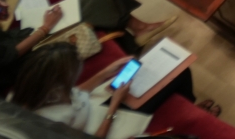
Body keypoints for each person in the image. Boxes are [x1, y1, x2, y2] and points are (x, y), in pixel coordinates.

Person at [0, 0, 173, 96]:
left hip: (20, 36)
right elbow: (10, 55)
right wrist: (45, 27)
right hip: (25, 60)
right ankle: (138, 32)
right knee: (97, 5)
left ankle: (139, 29)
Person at [11, 44, 217, 132]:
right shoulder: (52, 122)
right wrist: (115, 104)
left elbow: (75, 92)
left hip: (93, 105)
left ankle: (187, 102)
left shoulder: (30, 88)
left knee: (165, 72)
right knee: (179, 74)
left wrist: (105, 72)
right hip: (99, 125)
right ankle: (191, 107)